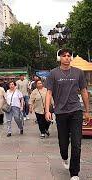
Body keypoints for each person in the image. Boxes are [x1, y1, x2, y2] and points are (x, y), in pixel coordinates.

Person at [45, 49, 89, 180]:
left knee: (76, 143)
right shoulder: (53, 73)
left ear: (71, 58)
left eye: (69, 56)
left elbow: (84, 91)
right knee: (63, 143)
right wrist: (47, 110)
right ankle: (64, 157)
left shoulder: (78, 72)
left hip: (76, 111)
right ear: (59, 58)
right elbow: (49, 93)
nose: (67, 58)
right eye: (64, 56)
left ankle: (74, 173)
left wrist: (86, 111)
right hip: (61, 113)